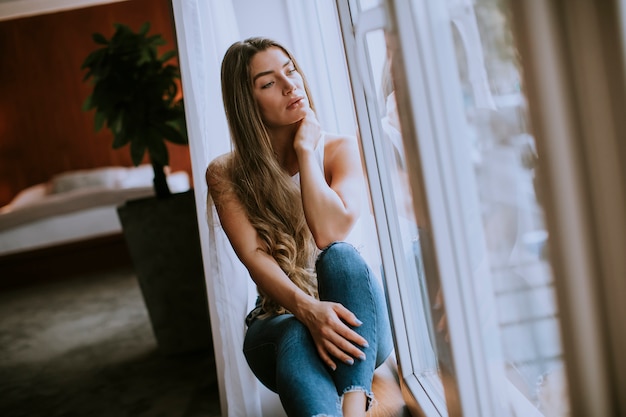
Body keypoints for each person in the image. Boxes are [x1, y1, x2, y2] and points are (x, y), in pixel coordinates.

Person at [206, 37, 393, 417]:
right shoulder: (224, 173)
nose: (291, 85)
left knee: (340, 257)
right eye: (268, 82)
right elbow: (254, 256)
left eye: (290, 70)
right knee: (293, 329)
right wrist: (308, 310)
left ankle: (355, 409)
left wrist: (308, 152)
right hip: (277, 316)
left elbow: (330, 233)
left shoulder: (340, 149)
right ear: (247, 102)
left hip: (356, 321)